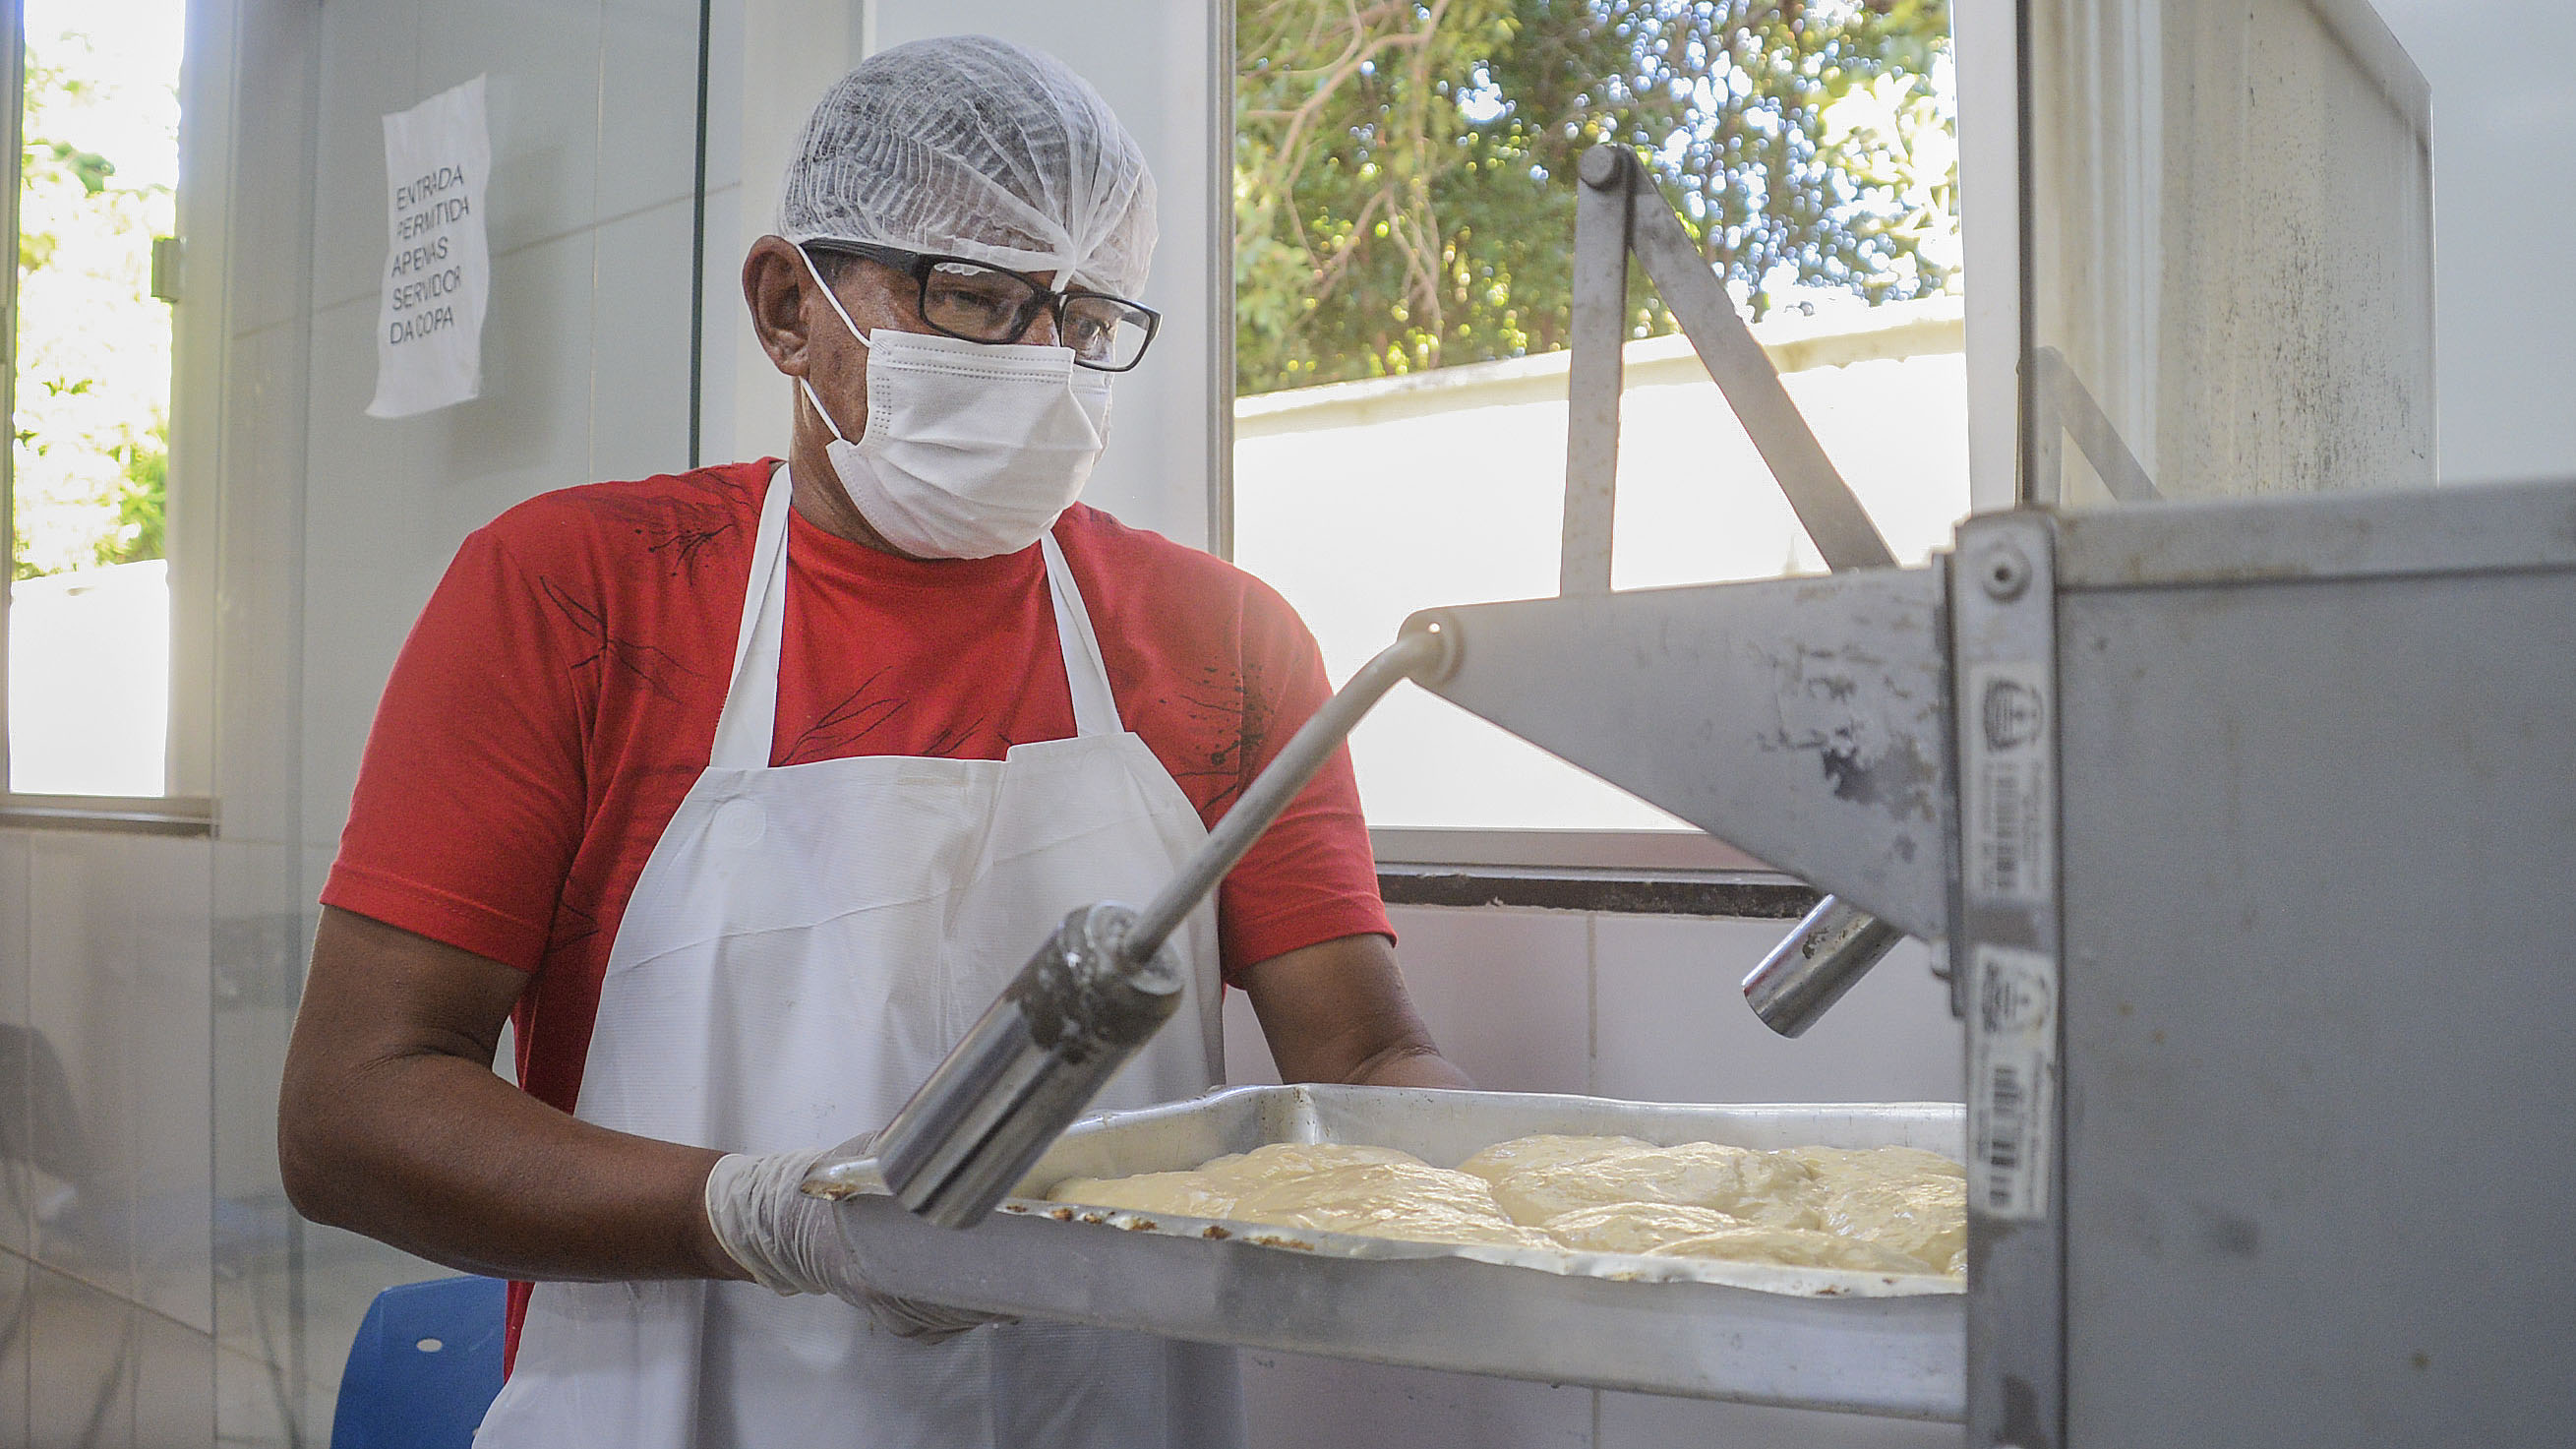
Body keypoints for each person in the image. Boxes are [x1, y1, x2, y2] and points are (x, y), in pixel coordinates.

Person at [276, 33, 1468, 1449]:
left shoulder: (1228, 645)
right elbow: (352, 1109)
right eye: (976, 296)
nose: (1043, 362)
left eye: (1086, 320)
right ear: (790, 306)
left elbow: (1367, 1058)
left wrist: (1536, 1182)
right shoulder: (582, 598)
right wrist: (772, 1214)